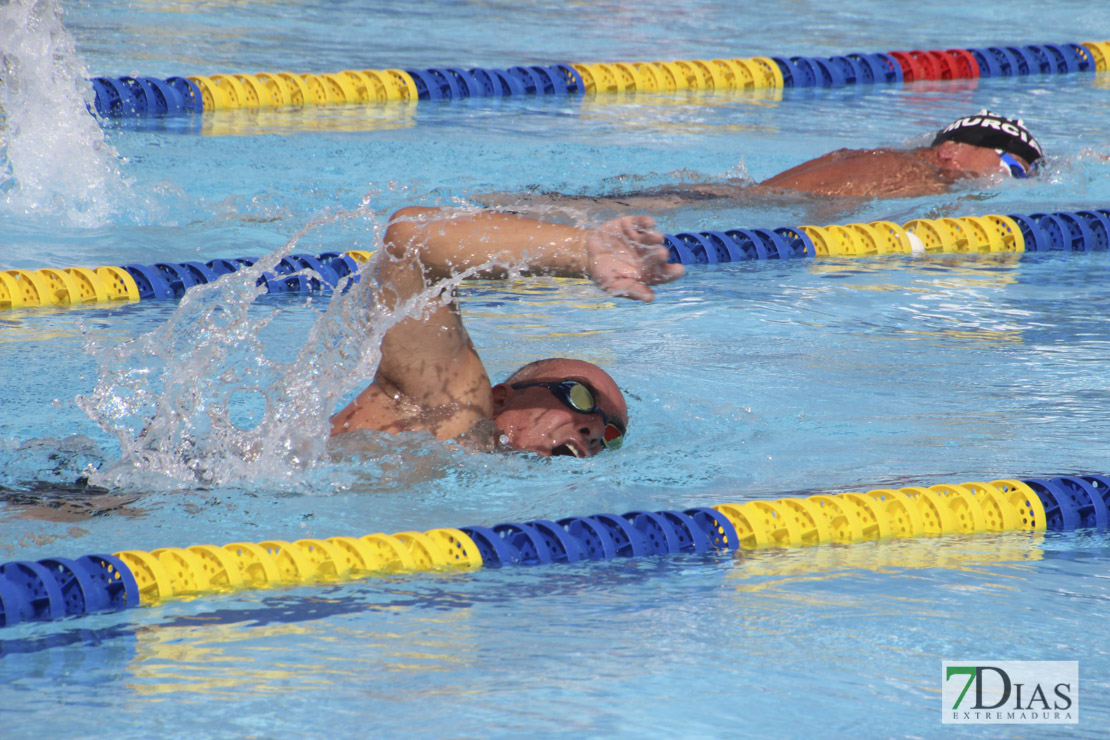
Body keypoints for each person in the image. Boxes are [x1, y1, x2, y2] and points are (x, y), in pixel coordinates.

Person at [329, 207, 684, 457]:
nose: (594, 429)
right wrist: (579, 250)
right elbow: (408, 242)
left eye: (612, 434)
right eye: (580, 396)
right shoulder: (444, 412)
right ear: (500, 399)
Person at [482, 111, 1043, 210]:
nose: (1009, 181)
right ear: (949, 150)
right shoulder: (921, 176)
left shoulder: (899, 163)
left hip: (741, 199)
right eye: (1010, 168)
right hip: (744, 205)